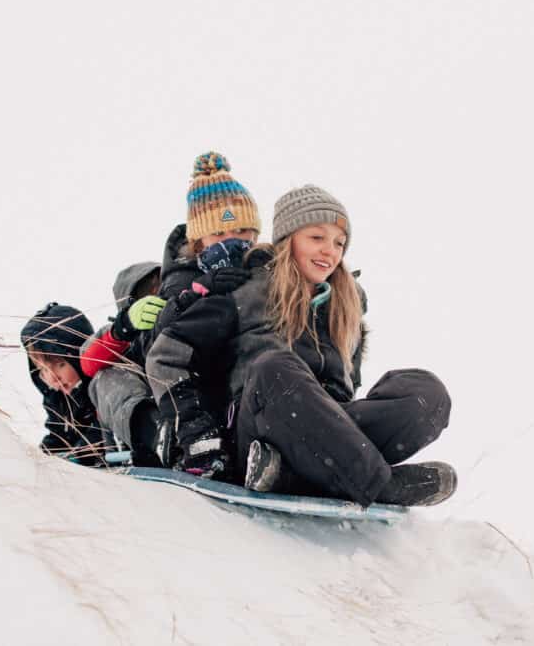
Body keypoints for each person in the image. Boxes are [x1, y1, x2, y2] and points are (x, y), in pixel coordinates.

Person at [146, 184, 456, 507]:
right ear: (287, 239)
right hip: (259, 431)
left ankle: (293, 476)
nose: (330, 251)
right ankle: (381, 486)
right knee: (274, 368)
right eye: (317, 238)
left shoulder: (345, 308)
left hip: (326, 432)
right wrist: (198, 433)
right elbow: (167, 357)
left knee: (426, 393)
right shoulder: (245, 289)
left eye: (339, 242)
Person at [139, 151, 263, 477]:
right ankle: (197, 443)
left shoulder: (262, 271)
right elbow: (157, 345)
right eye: (219, 234)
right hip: (196, 391)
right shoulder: (180, 278)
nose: (232, 242)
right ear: (199, 242)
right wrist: (195, 292)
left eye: (241, 232)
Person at [79, 262, 171, 466]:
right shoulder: (124, 339)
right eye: (148, 295)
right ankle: (155, 435)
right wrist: (124, 329)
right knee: (105, 378)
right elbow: (88, 362)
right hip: (142, 432)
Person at [20, 302, 113, 467]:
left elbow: (104, 429)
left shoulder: (103, 384)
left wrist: (81, 452)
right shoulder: (57, 399)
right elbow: (59, 436)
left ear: (78, 356)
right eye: (43, 370)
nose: (53, 377)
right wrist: (43, 458)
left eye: (60, 364)